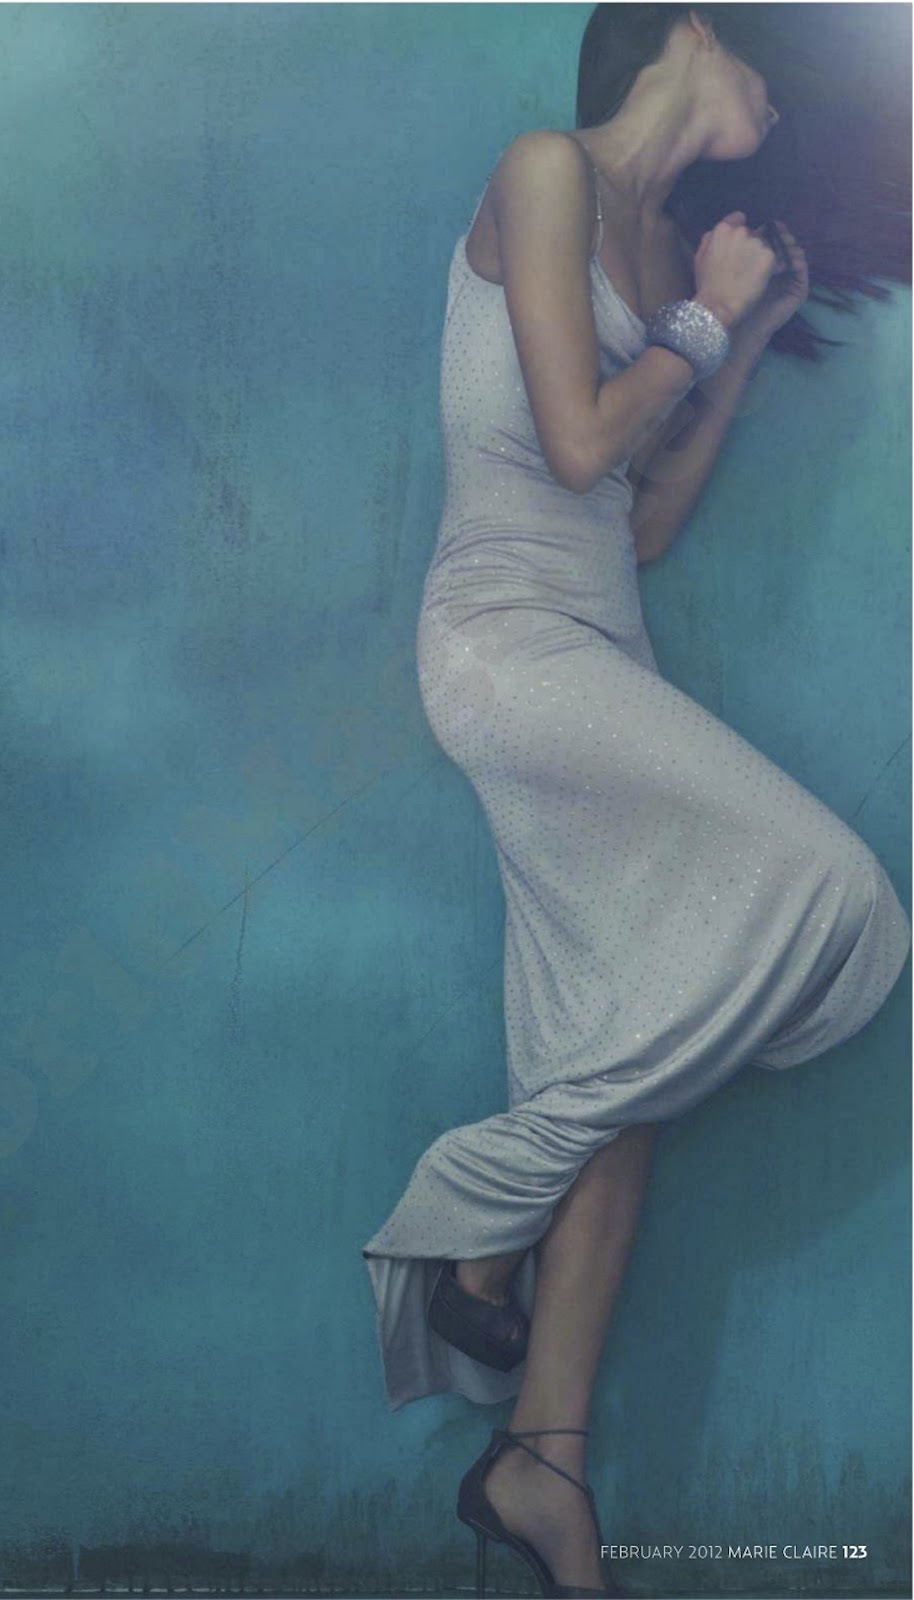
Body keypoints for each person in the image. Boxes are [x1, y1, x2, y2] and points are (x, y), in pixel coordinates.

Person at [360, 7, 912, 1597]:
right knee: (833, 890)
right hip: (505, 644)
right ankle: (472, 1233)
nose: (774, 105)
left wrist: (734, 331)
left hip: (605, 640)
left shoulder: (670, 247)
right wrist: (702, 322)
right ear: (688, 30)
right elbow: (569, 439)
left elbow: (644, 513)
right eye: (763, 68)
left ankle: (541, 1465)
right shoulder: (543, 171)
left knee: (625, 1059)